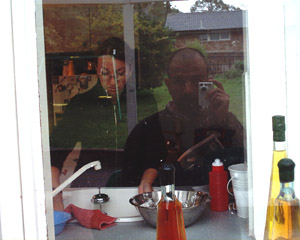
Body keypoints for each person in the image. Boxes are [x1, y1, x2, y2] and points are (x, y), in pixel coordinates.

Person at [121, 47, 245, 194]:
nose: (188, 89)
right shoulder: (148, 129)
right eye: (179, 81)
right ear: (169, 85)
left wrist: (223, 122)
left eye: (196, 81)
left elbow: (247, 164)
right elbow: (129, 185)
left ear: (207, 83)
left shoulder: (225, 121)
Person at [51, 37, 132, 210]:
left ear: (131, 70)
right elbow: (55, 152)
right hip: (91, 187)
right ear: (96, 69)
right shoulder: (80, 104)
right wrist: (54, 195)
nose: (112, 82)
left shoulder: (142, 102)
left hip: (132, 185)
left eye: (120, 73)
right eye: (105, 73)